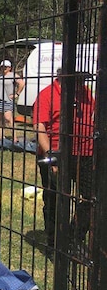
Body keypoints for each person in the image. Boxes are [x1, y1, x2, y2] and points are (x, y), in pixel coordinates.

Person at [32, 69, 94, 248]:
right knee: (55, 200)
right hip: (58, 154)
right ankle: (55, 243)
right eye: (77, 79)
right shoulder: (47, 94)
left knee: (92, 198)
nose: (81, 84)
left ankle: (73, 237)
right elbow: (40, 127)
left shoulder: (85, 92)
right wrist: (52, 156)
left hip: (85, 153)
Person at [0, 59, 24, 142]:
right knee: (1, 119)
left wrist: (17, 94)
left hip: (7, 99)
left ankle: (14, 137)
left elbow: (22, 83)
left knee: (8, 118)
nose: (3, 68)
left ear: (9, 68)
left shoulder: (12, 75)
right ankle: (1, 136)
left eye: (5, 67)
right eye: (2, 67)